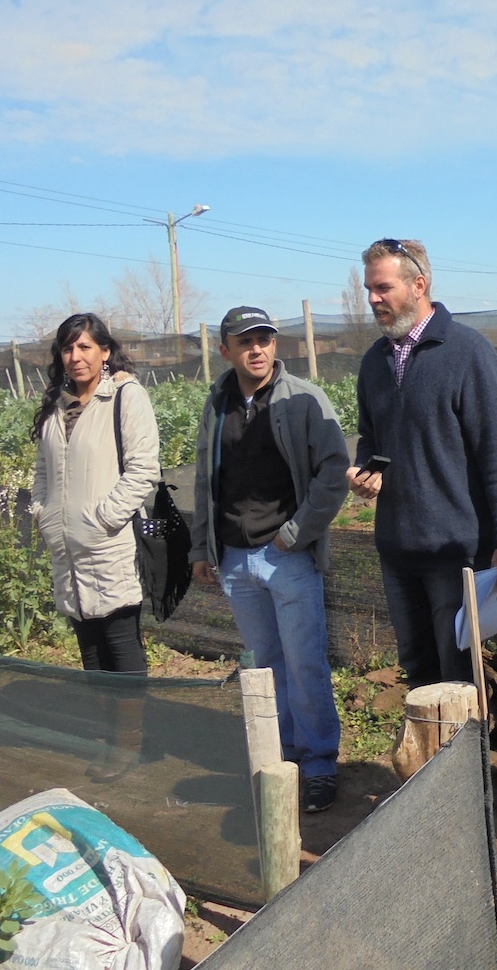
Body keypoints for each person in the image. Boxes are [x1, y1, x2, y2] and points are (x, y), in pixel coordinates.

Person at [189, 306, 351, 813]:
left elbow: (333, 472)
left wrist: (294, 534)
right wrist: (201, 547)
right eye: (245, 341)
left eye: (264, 339)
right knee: (265, 665)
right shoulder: (215, 405)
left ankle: (321, 764)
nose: (256, 348)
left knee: (305, 664)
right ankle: (283, 761)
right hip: (236, 561)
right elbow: (203, 481)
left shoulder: (304, 399)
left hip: (287, 557)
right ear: (226, 350)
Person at [346, 239, 497, 687]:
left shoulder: (466, 352)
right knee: (419, 670)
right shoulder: (374, 362)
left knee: (458, 672)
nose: (373, 298)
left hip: (455, 551)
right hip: (397, 547)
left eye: (383, 288)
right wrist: (367, 470)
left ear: (418, 284)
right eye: (370, 289)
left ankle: (468, 756)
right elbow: (371, 437)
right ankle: (434, 755)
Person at [31, 312, 161, 783]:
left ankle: (130, 744)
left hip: (108, 545)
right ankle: (108, 737)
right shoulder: (56, 406)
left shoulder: (125, 397)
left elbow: (143, 469)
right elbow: (43, 473)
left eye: (86, 347)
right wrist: (44, 515)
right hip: (65, 549)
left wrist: (103, 519)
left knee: (119, 642)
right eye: (68, 348)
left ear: (105, 351)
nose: (76, 357)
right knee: (89, 647)